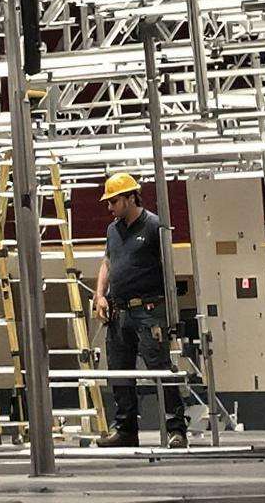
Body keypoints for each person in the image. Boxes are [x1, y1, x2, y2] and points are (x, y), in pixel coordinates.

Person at [93, 172, 186, 449]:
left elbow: (169, 269)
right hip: (119, 311)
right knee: (119, 372)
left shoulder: (155, 226)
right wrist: (100, 295)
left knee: (160, 369)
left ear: (131, 198)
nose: (109, 207)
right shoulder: (113, 230)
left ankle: (176, 429)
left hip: (149, 310)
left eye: (114, 201)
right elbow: (107, 262)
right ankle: (125, 429)